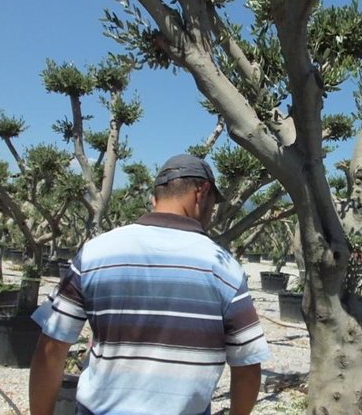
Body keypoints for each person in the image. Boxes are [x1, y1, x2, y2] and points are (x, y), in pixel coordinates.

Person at [29, 154, 269, 415]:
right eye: (213, 203)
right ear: (202, 191)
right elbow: (247, 366)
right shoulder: (224, 268)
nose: (212, 212)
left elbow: (51, 348)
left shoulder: (96, 252)